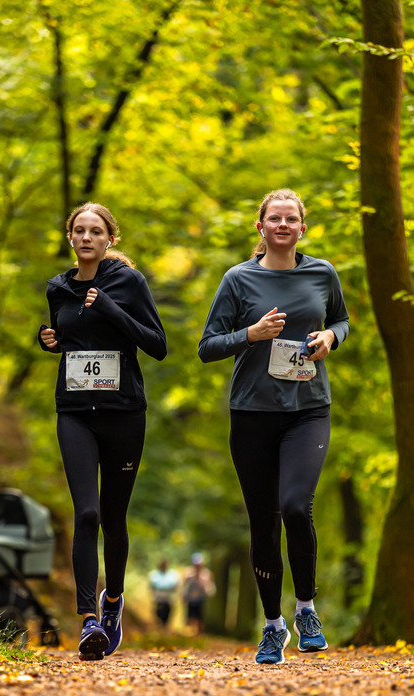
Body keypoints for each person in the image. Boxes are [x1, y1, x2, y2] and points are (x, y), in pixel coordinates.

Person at [199, 188, 349, 665]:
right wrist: (251, 335)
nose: (283, 225)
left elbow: (342, 321)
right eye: (274, 219)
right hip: (252, 413)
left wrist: (330, 336)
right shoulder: (237, 279)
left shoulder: (322, 273)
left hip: (308, 409)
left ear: (302, 227)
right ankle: (273, 626)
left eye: (291, 219)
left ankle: (306, 608)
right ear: (260, 227)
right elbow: (208, 345)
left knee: (294, 506)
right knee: (264, 521)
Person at [38, 202, 167, 659]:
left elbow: (158, 345)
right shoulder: (58, 288)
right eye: (79, 230)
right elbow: (67, 338)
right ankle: (89, 619)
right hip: (74, 411)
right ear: (70, 238)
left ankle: (113, 601)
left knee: (113, 517)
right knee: (86, 513)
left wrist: (112, 309)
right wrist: (48, 340)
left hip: (123, 412)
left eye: (96, 231)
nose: (87, 237)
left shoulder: (128, 283)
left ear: (110, 239)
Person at [181, 552, 215, 635]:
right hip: (190, 599)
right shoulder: (188, 573)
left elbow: (210, 587)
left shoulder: (207, 574)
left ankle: (199, 634)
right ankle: (190, 634)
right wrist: (183, 596)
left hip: (201, 599)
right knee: (190, 617)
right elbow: (184, 586)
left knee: (200, 618)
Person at [148, 559, 180, 627]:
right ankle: (159, 629)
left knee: (167, 616)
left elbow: (176, 586)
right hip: (158, 599)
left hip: (168, 599)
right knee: (158, 615)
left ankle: (165, 628)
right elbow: (151, 587)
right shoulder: (154, 574)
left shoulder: (172, 574)